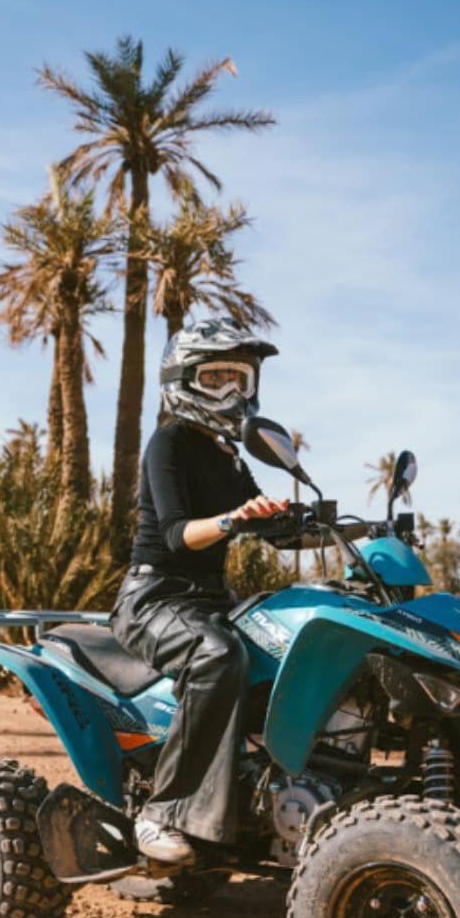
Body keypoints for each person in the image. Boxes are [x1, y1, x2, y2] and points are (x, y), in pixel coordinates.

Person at [110, 318, 287, 864]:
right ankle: (162, 813)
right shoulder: (170, 443)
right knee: (218, 656)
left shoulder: (229, 455)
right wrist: (235, 519)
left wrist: (307, 521)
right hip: (155, 598)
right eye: (215, 378)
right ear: (184, 382)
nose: (230, 391)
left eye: (239, 378)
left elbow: (270, 527)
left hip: (211, 601)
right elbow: (176, 534)